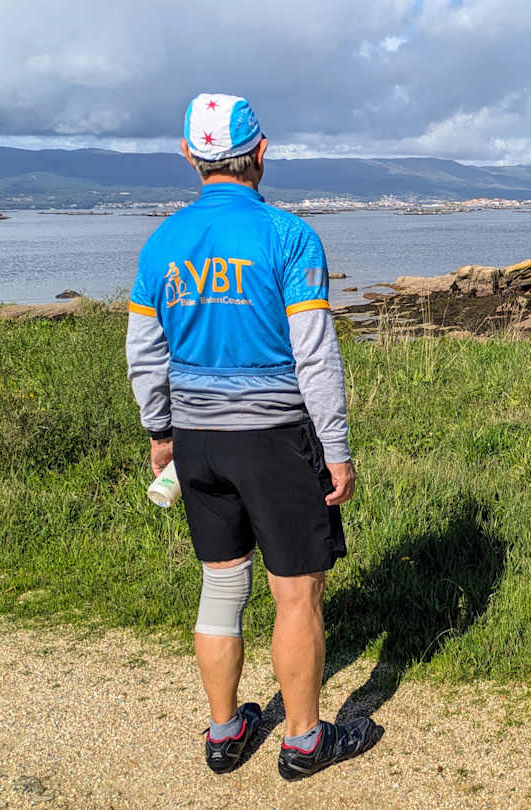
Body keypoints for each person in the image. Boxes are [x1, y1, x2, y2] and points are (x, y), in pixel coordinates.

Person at [125, 92, 381, 780]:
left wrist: (161, 432)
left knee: (221, 586)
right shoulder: (289, 235)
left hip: (197, 439)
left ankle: (225, 732)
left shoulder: (163, 241)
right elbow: (316, 357)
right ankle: (303, 742)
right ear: (261, 153)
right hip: (275, 439)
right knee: (295, 595)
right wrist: (337, 450)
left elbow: (144, 354)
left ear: (189, 156)